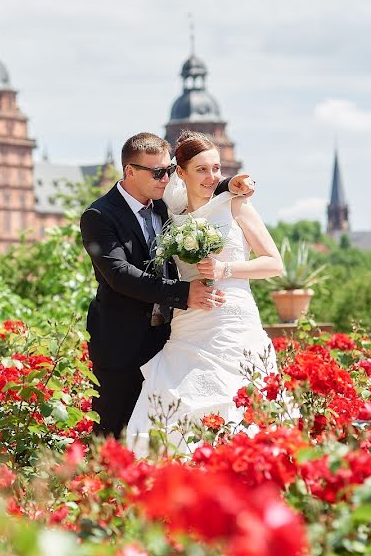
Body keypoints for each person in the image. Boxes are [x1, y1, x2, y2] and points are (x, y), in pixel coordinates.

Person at [80, 132, 255, 438]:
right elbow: (119, 274)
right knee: (113, 436)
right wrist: (184, 293)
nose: (166, 179)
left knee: (159, 432)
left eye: (169, 171)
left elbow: (196, 187)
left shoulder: (163, 205)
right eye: (158, 172)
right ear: (130, 171)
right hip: (121, 344)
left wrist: (230, 184)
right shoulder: (99, 215)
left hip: (166, 340)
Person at [124, 130, 282, 454]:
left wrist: (227, 270)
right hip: (189, 327)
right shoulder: (171, 216)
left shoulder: (236, 206)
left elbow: (274, 263)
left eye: (216, 169)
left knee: (242, 408)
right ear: (179, 173)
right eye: (201, 169)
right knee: (168, 408)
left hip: (234, 323)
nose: (212, 177)